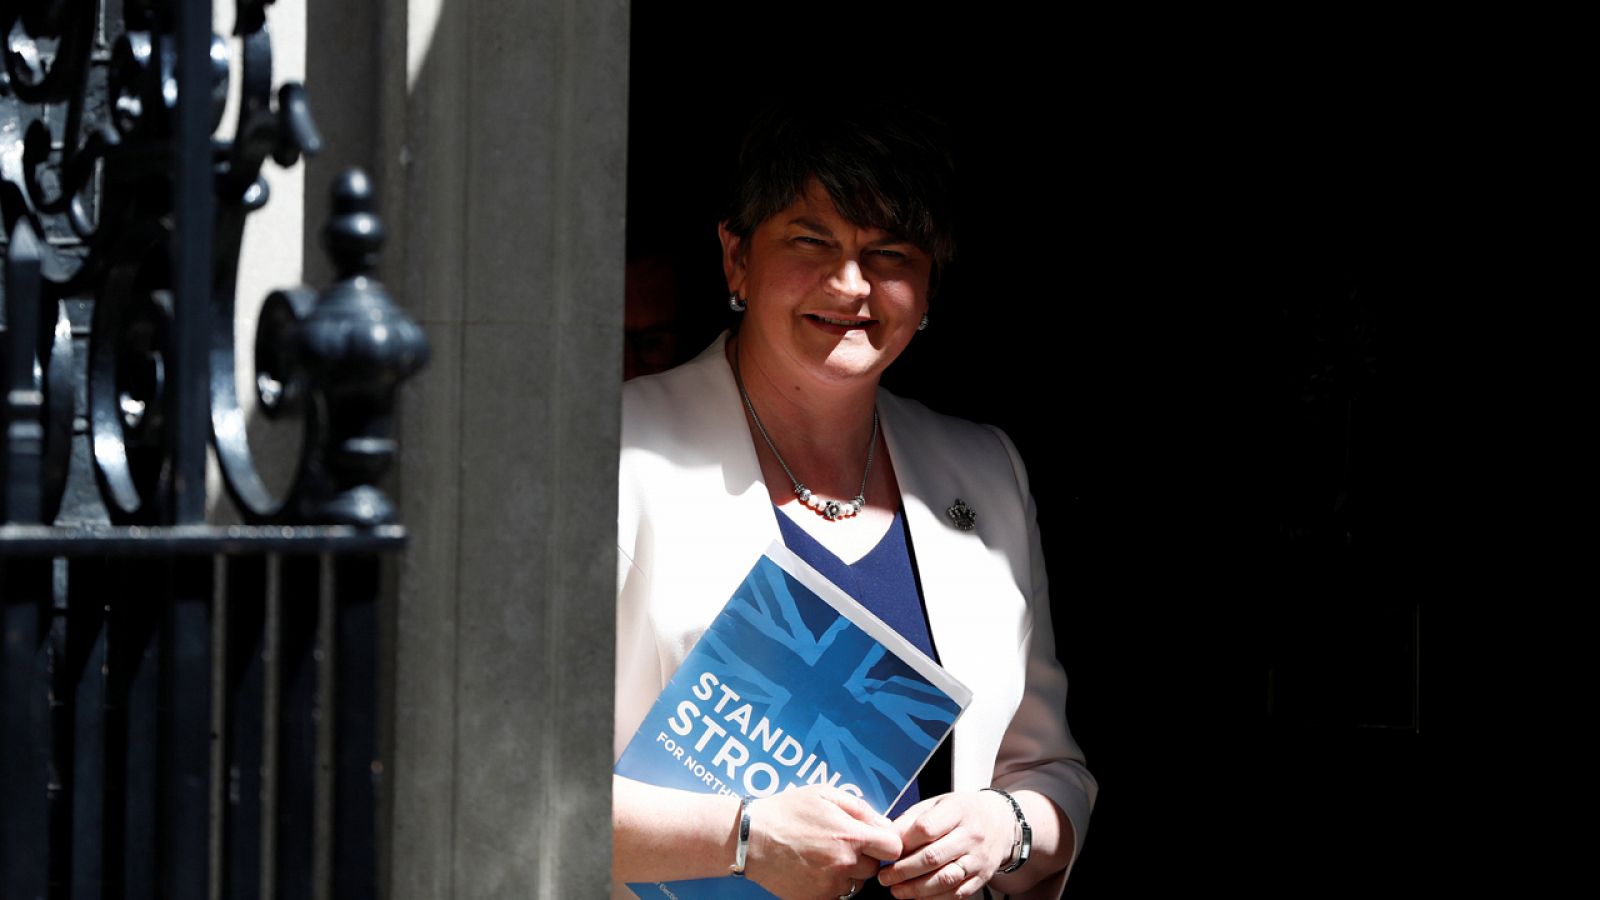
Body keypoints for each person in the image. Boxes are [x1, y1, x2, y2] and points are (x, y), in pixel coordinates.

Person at [614, 103, 1095, 900]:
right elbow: (514, 778)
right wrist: (742, 838)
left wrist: (1006, 827)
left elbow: (1050, 772)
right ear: (736, 257)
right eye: (811, 242)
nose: (850, 285)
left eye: (889, 253)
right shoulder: (617, 454)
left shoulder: (986, 472)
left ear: (930, 282)